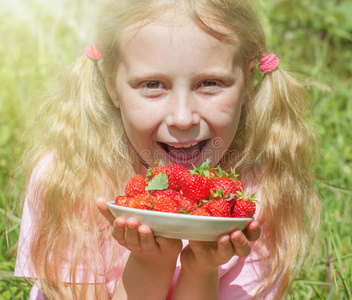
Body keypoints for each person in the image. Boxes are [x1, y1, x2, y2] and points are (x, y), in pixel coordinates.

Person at [13, 0, 320, 299]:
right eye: (152, 85)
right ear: (111, 86)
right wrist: (150, 264)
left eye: (210, 83)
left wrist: (201, 271)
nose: (182, 118)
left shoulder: (259, 203)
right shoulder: (68, 180)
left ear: (246, 83)